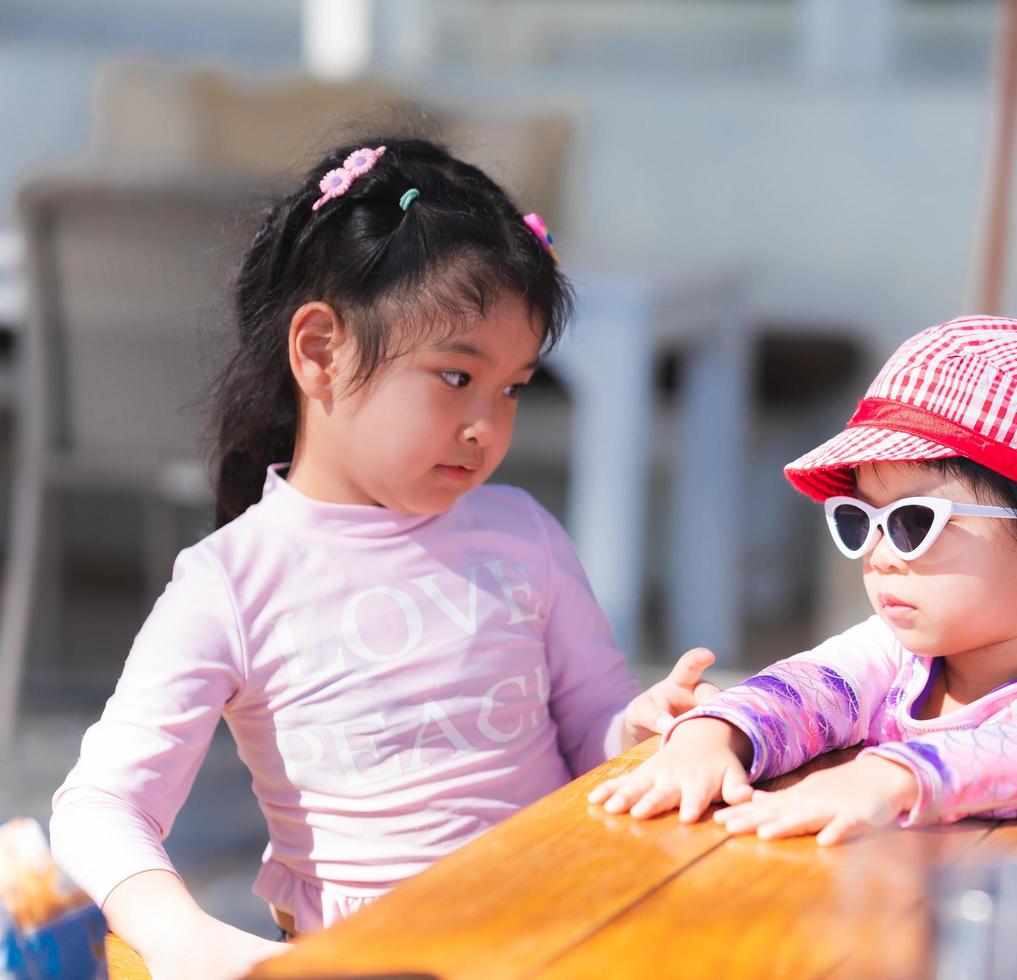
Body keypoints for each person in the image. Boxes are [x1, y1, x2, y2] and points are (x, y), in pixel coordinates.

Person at [49, 138, 716, 979]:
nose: (488, 426)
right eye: (454, 377)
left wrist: (645, 728)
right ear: (321, 351)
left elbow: (594, 727)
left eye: (512, 386)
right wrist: (186, 939)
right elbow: (98, 804)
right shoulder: (232, 584)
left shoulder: (522, 534)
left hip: (563, 934)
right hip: (374, 961)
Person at [592, 316, 1017, 844]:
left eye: (916, 521)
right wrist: (713, 735)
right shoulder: (891, 656)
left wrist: (891, 778)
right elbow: (804, 691)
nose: (880, 555)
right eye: (859, 518)